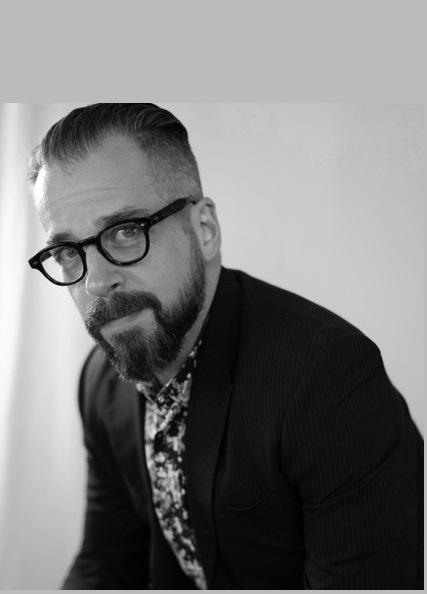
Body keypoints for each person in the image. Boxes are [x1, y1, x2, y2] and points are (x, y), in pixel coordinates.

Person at [28, 103, 423, 590]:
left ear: (205, 231)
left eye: (126, 232)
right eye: (67, 252)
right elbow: (108, 559)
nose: (95, 283)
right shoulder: (100, 381)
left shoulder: (329, 380)